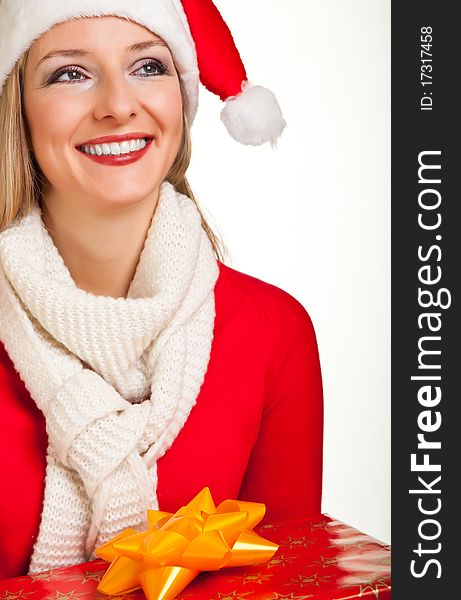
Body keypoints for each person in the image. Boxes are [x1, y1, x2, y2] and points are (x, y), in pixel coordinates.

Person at [0, 0, 323, 580]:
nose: (120, 105)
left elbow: (287, 585)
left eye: (148, 67)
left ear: (182, 97)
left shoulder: (273, 332)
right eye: (70, 73)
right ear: (17, 109)